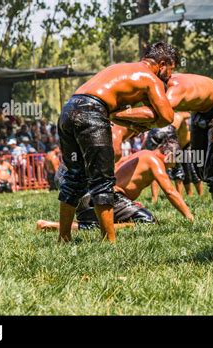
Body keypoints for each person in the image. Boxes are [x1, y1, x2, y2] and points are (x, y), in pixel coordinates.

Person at [57, 41, 178, 243]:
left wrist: (119, 117)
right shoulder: (151, 78)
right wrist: (122, 114)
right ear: (162, 63)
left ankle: (64, 238)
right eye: (171, 70)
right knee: (102, 181)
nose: (171, 76)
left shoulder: (119, 68)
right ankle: (109, 241)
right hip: (92, 112)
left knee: (74, 177)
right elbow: (166, 117)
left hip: (69, 110)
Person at [114, 73, 213, 232]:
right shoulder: (161, 88)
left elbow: (159, 113)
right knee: (201, 169)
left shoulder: (175, 88)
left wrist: (116, 114)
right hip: (200, 113)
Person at [36, 140, 193, 231]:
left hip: (95, 195)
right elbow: (170, 191)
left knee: (94, 225)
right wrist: (189, 217)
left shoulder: (142, 154)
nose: (174, 166)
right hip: (109, 197)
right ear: (169, 155)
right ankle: (55, 226)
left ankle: (52, 226)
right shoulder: (154, 160)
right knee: (147, 222)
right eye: (175, 161)